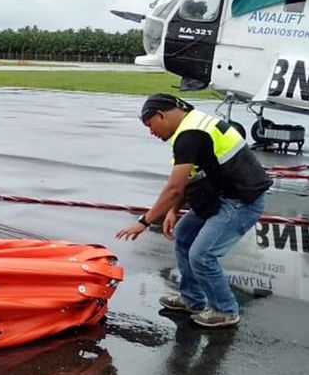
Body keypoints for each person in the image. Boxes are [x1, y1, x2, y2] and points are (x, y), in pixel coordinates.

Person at [116, 93, 272, 328]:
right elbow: (188, 179)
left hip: (242, 201)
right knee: (184, 234)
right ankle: (192, 300)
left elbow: (174, 188)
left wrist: (144, 222)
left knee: (202, 255)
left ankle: (226, 310)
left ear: (161, 115)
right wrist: (172, 212)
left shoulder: (190, 135)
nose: (151, 132)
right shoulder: (191, 125)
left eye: (150, 125)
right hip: (222, 195)